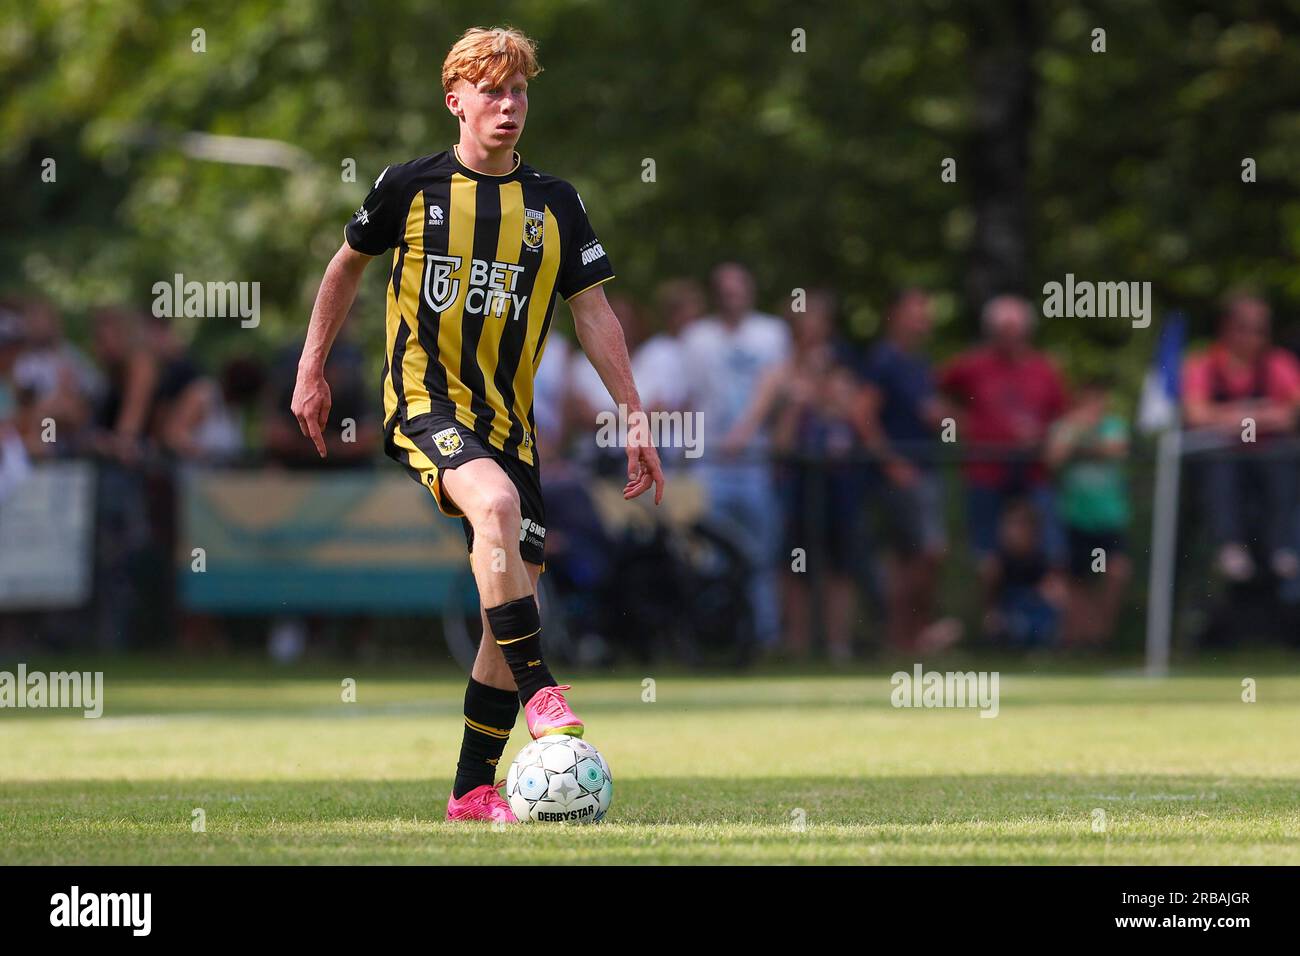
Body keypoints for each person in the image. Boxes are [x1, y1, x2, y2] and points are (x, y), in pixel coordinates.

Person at [290, 27, 663, 824]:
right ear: (455, 100)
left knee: (512, 599)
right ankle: (544, 694)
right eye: (492, 91)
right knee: (492, 512)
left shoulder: (556, 203)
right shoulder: (409, 187)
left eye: (519, 91)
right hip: (425, 404)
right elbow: (344, 264)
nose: (508, 105)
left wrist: (633, 414)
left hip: (510, 426)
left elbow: (593, 314)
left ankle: (470, 791)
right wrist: (310, 368)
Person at [723, 291, 861, 660]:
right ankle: (796, 642)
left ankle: (837, 644)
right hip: (794, 480)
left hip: (837, 478)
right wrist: (795, 405)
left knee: (839, 564)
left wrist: (822, 390)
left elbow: (848, 419)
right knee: (792, 562)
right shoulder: (779, 374)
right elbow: (780, 441)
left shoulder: (842, 370)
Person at [683, 263, 790, 649]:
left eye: (738, 288)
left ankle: (764, 637)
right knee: (710, 553)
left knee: (760, 554)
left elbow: (774, 385)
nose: (733, 296)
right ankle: (717, 636)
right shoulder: (697, 337)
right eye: (725, 290)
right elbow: (688, 398)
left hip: (753, 464)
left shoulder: (771, 332)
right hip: (709, 464)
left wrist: (744, 433)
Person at [939, 295, 1069, 589]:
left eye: (1015, 330)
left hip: (1033, 471)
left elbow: (1062, 417)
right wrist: (956, 424)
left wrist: (1048, 439)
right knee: (986, 552)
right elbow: (937, 395)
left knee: (1050, 547)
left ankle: (1050, 624)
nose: (1010, 337)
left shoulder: (1044, 370)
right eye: (1003, 331)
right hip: (986, 471)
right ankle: (992, 623)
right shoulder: (972, 366)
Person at [860, 290, 960, 653]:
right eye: (915, 313)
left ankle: (910, 640)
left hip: (924, 471)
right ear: (895, 316)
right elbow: (863, 413)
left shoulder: (920, 364)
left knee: (917, 558)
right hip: (902, 477)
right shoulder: (884, 360)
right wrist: (890, 462)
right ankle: (902, 638)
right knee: (922, 554)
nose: (923, 321)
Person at [1182, 293, 1300, 581]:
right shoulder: (1203, 365)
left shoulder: (1278, 363)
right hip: (1221, 461)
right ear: (1228, 327)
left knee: (1283, 465)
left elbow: (1293, 412)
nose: (1255, 337)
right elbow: (1196, 416)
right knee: (1221, 468)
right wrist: (1261, 413)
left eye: (1261, 329)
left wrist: (1229, 417)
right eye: (1247, 328)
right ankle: (1229, 546)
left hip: (1268, 458)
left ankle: (1282, 548)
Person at [1045, 375, 1132, 645]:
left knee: (1115, 573)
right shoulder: (1065, 426)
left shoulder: (1113, 426)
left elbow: (1114, 450)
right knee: (1077, 582)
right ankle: (1079, 639)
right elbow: (1053, 458)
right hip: (1075, 517)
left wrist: (1080, 444)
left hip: (1109, 517)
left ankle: (1102, 635)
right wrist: (1077, 432)